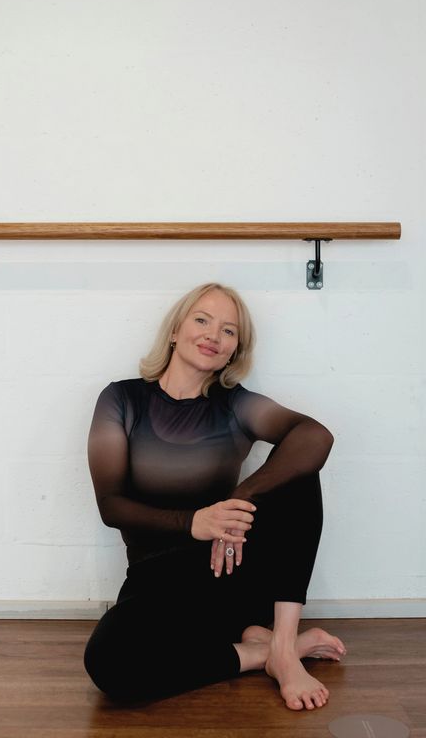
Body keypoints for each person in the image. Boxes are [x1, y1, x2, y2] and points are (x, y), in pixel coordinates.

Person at [83, 282, 346, 711]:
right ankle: (263, 653)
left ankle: (280, 643)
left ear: (234, 351)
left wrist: (234, 506)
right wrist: (195, 522)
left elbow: (315, 435)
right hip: (158, 582)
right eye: (202, 320)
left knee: (298, 473)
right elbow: (111, 506)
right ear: (175, 330)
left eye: (229, 331)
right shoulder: (122, 399)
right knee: (108, 664)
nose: (213, 335)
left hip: (232, 568)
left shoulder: (234, 405)